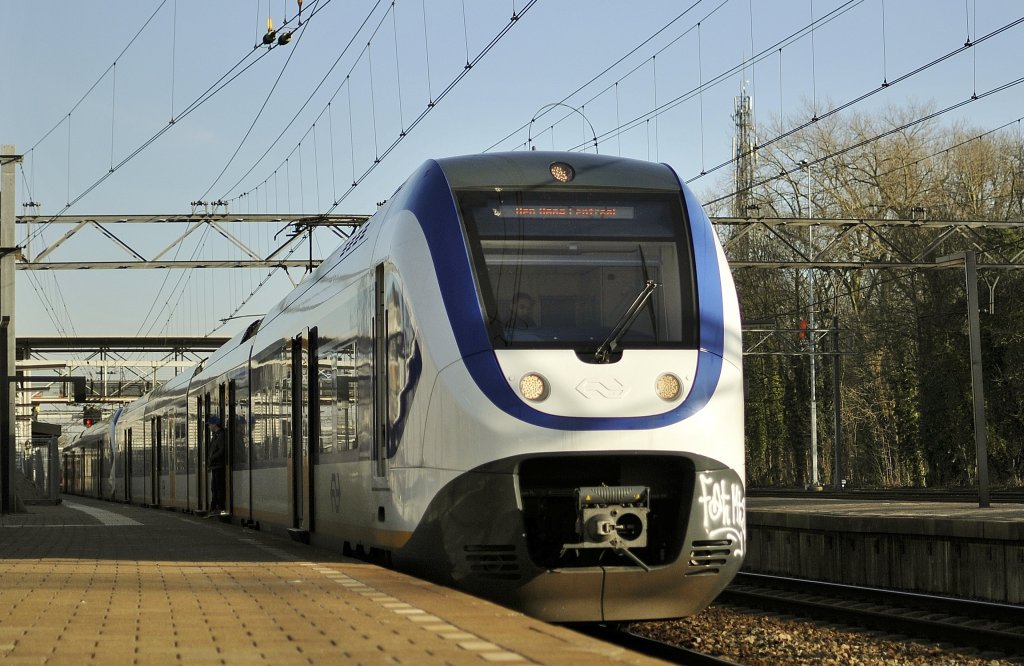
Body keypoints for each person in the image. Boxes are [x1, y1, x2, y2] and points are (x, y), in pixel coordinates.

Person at [207, 415, 227, 514]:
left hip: (219, 465)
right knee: (214, 487)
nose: (208, 427)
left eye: (209, 424)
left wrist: (212, 458)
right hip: (215, 465)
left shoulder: (221, 435)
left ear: (215, 424)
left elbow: (221, 450)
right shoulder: (216, 436)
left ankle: (219, 507)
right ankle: (214, 506)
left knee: (218, 487)